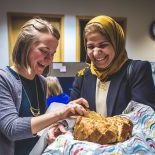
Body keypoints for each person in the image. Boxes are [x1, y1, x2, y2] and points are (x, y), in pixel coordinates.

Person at [0, 17, 89, 155]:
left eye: (52, 53)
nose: (49, 59)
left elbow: (37, 126)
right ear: (25, 46)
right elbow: (12, 129)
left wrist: (52, 130)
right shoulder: (4, 79)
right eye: (44, 51)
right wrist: (60, 113)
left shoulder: (41, 82)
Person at [70, 15, 155, 117]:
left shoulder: (137, 70)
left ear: (117, 44)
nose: (96, 53)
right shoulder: (82, 75)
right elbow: (72, 113)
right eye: (91, 47)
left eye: (103, 45)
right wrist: (64, 122)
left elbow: (144, 117)